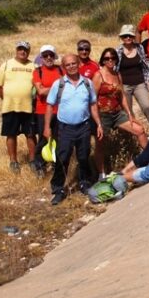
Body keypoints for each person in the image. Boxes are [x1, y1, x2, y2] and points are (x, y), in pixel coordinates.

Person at [43, 54, 104, 205]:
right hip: (65, 128)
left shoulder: (87, 83)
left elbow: (93, 105)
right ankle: (58, 189)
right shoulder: (59, 84)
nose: (71, 67)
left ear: (78, 64)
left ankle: (84, 183)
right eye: (67, 65)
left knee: (83, 156)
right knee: (63, 158)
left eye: (73, 64)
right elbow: (50, 106)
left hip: (83, 126)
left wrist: (98, 124)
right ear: (63, 67)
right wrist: (46, 127)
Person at [92, 47, 147, 178]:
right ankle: (101, 174)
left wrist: (129, 113)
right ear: (102, 60)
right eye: (107, 58)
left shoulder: (117, 74)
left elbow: (122, 96)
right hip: (103, 114)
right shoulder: (98, 75)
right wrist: (98, 123)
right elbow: (92, 100)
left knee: (139, 130)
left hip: (117, 113)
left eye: (112, 58)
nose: (110, 60)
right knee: (100, 145)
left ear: (116, 59)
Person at [0, 41, 37, 174]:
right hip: (10, 107)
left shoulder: (33, 66)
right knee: (11, 134)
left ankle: (33, 160)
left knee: (30, 134)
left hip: (29, 107)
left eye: (25, 50)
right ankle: (13, 161)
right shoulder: (6, 65)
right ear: (16, 50)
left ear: (29, 51)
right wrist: (7, 99)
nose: (22, 52)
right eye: (20, 49)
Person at [117, 24, 149, 129]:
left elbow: (145, 64)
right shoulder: (118, 51)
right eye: (125, 36)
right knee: (127, 110)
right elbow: (115, 69)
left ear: (133, 37)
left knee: (147, 106)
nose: (127, 38)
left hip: (139, 83)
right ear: (121, 38)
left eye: (130, 36)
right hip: (124, 85)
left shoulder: (140, 48)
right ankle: (133, 132)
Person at [32, 43, 62, 175]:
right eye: (45, 55)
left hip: (60, 111)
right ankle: (39, 165)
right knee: (44, 138)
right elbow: (40, 91)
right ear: (41, 58)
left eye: (51, 55)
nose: (48, 58)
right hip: (42, 111)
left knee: (58, 139)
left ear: (54, 56)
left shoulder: (61, 70)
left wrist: (49, 89)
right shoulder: (38, 71)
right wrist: (59, 86)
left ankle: (57, 165)